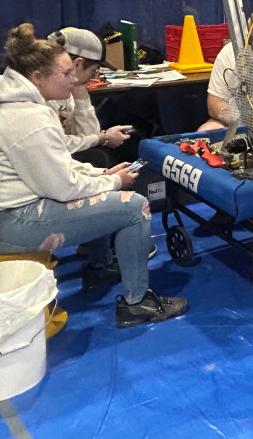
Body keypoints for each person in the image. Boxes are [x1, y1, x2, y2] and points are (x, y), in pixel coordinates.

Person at [0, 24, 188, 327]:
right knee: (134, 207)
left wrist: (101, 173)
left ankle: (101, 267)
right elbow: (63, 188)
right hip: (14, 222)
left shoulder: (21, 103)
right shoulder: (28, 118)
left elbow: (59, 163)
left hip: (15, 211)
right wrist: (114, 181)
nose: (73, 79)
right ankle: (136, 304)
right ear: (37, 77)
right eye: (65, 74)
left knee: (101, 185)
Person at [46, 27, 133, 162]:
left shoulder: (67, 89)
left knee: (101, 153)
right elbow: (53, 145)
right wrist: (102, 138)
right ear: (77, 64)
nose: (94, 77)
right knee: (97, 158)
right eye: (94, 71)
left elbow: (88, 137)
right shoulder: (44, 92)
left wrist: (81, 96)